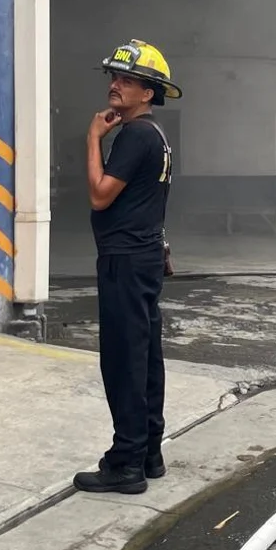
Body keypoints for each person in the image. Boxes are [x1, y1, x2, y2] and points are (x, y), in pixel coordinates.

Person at [75, 39, 181, 494]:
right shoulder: (155, 137)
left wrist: (92, 138)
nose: (116, 85)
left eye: (127, 81)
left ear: (148, 93)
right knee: (145, 356)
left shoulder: (134, 135)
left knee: (123, 360)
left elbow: (100, 193)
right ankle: (148, 452)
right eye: (115, 77)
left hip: (125, 261)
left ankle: (125, 463)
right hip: (143, 260)